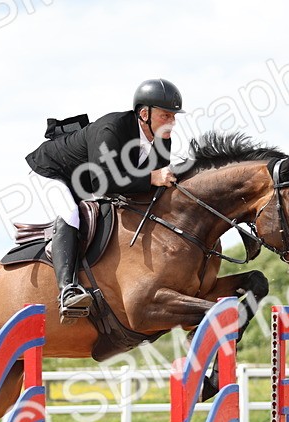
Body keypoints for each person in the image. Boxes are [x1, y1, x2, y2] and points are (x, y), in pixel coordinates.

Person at [25, 79, 183, 319]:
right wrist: (152, 177)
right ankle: (67, 291)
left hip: (89, 180)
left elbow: (154, 189)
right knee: (71, 213)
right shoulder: (112, 129)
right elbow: (105, 184)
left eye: (173, 116)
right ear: (144, 114)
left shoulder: (162, 138)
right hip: (54, 172)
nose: (171, 122)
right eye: (165, 116)